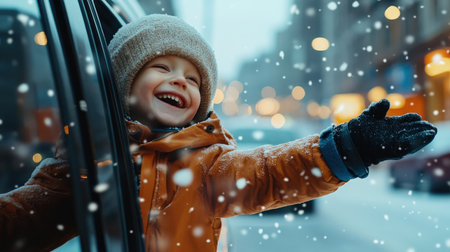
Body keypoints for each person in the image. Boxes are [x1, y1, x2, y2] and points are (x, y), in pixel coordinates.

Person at [0, 14, 437, 251]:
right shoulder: (85, 161)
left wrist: (349, 146)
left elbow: (270, 172)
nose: (180, 82)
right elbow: (24, 219)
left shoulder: (204, 165)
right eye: (161, 67)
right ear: (122, 85)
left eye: (193, 79)